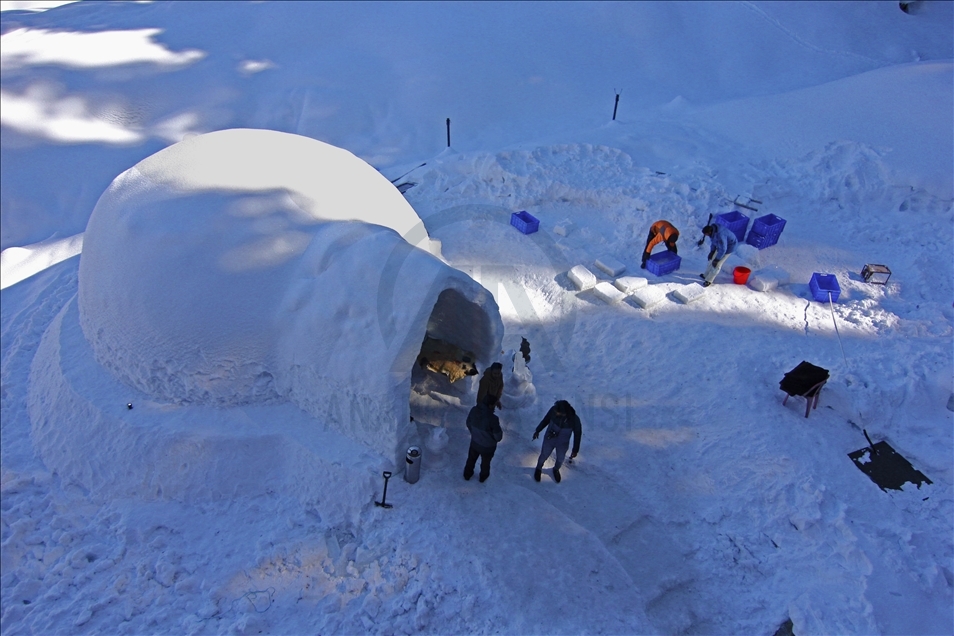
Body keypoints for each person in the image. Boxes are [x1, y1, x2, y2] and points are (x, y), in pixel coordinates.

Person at [532, 400, 582, 483]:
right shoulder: (553, 410)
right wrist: (538, 430)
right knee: (544, 454)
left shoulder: (574, 419)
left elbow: (578, 434)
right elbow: (546, 420)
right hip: (550, 438)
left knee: (560, 458)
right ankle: (538, 468)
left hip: (563, 442)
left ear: (564, 413)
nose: (555, 413)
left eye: (558, 412)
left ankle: (556, 469)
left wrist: (575, 449)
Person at [464, 393, 504, 483]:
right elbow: (498, 437)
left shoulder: (474, 410)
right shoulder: (493, 419)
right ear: (490, 405)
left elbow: (468, 423)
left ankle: (467, 474)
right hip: (488, 448)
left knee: (471, 459)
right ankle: (483, 477)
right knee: (485, 463)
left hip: (474, 443)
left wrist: (474, 434)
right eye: (493, 405)